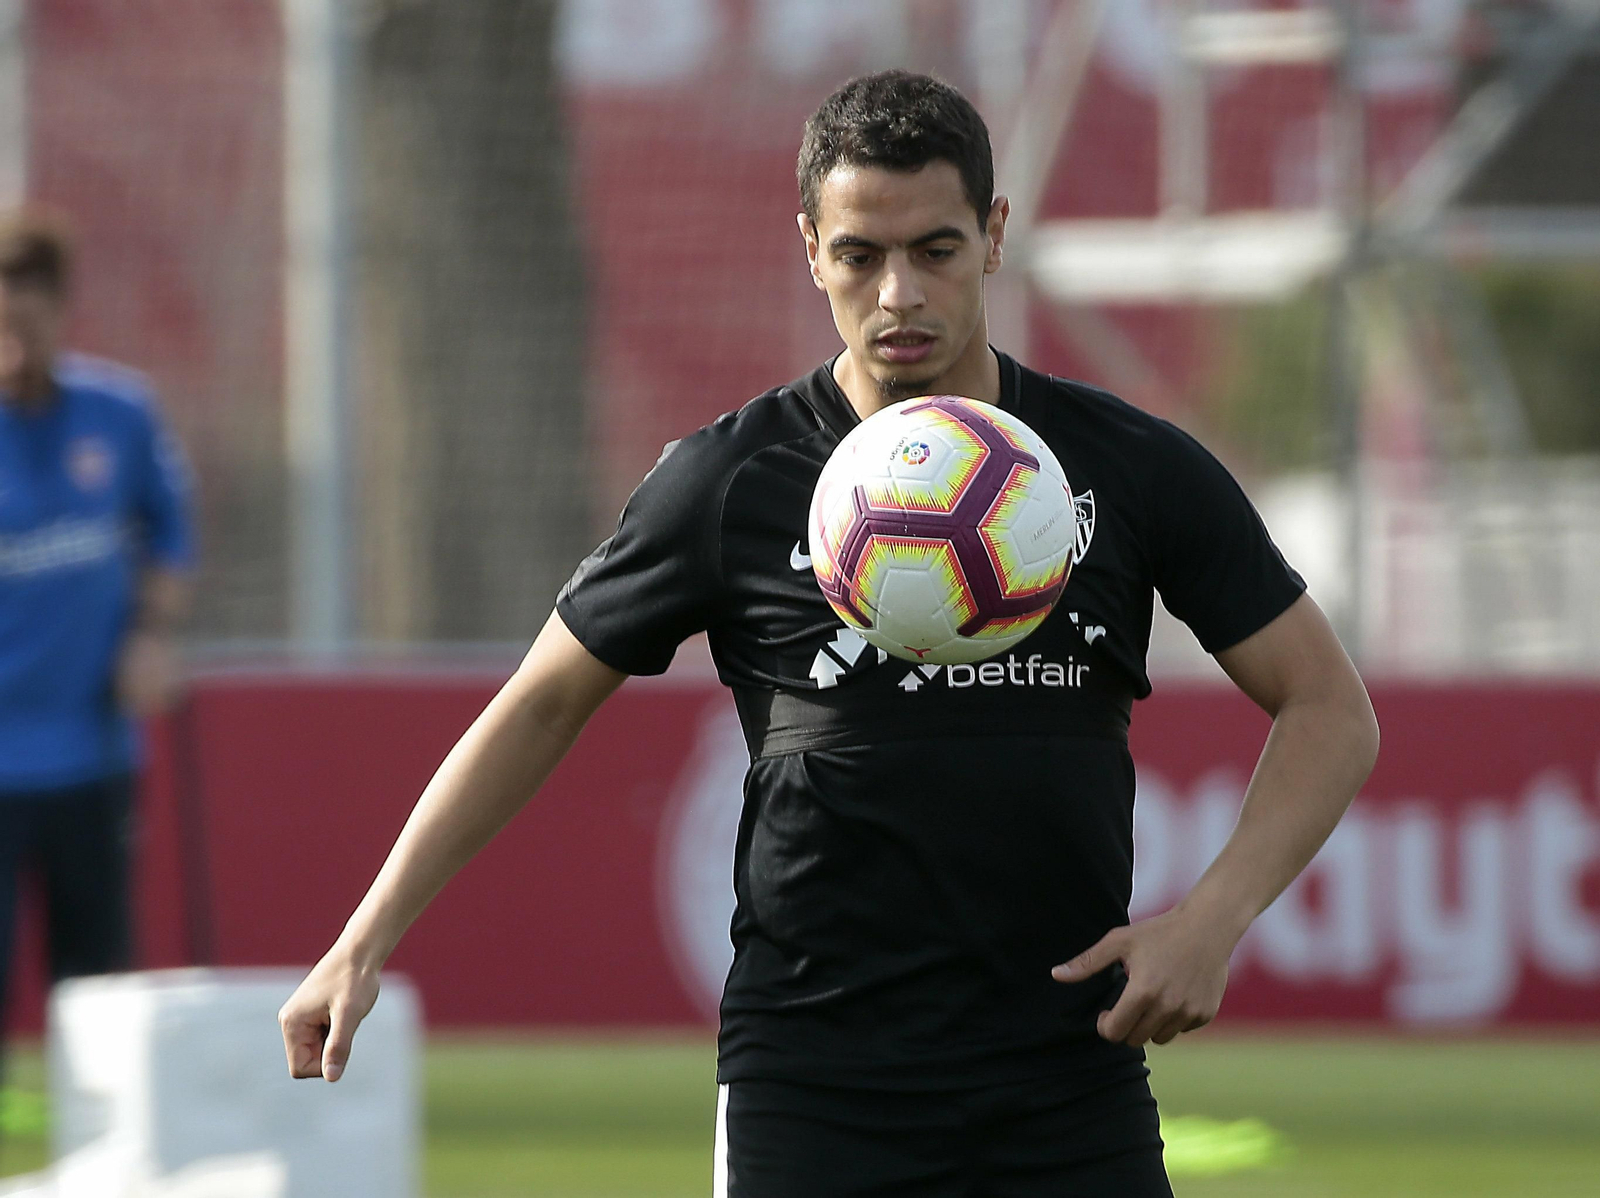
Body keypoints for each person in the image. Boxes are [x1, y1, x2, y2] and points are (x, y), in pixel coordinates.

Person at [280, 71, 1378, 1196]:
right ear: (811, 247)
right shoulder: (732, 479)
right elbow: (541, 701)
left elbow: (1330, 708)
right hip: (811, 1081)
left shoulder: (1130, 467)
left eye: (936, 249)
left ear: (994, 236)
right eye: (860, 255)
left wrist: (1212, 918)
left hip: (1067, 1075)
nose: (898, 292)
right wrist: (362, 940)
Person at [0, 209, 194, 1047]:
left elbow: (172, 538)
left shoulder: (119, 415)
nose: (12, 343)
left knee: (96, 980)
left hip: (92, 747)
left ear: (57, 313)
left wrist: (149, 634)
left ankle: (102, 1145)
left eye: (26, 321)